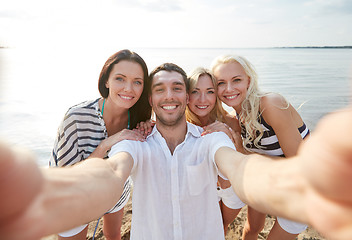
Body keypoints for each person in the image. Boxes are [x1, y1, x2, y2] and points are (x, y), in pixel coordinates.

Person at [1, 63, 352, 240]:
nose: (169, 95)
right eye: (159, 89)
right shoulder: (135, 140)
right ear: (150, 100)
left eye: (176, 88)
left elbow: (240, 168)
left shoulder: (211, 137)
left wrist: (288, 185)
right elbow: (111, 174)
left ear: (186, 97)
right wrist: (47, 193)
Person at [49, 49, 152, 240]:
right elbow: (64, 178)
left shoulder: (139, 118)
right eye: (120, 78)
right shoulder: (76, 117)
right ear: (106, 81)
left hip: (115, 192)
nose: (129, 88)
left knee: (113, 236)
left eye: (137, 82)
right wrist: (105, 145)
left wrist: (148, 127)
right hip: (73, 196)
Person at [211, 54, 310, 240]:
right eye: (220, 83)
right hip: (269, 183)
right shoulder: (236, 118)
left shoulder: (270, 104)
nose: (229, 89)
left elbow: (301, 165)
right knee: (250, 230)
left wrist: (242, 151)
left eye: (236, 80)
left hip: (300, 192)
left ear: (248, 81)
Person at [185, 67, 245, 234]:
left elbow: (244, 160)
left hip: (230, 189)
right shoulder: (180, 125)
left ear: (216, 95)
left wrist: (229, 136)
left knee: (220, 228)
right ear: (186, 95)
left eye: (210, 91)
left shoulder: (232, 123)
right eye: (195, 91)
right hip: (201, 189)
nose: (202, 99)